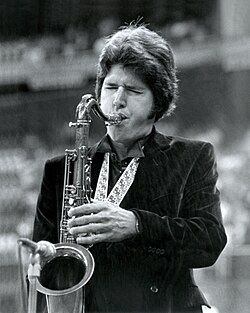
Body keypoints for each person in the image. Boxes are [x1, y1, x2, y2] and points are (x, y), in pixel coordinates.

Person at [32, 24, 227, 313]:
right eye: (110, 87)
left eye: (133, 90)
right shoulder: (58, 170)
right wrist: (44, 259)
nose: (117, 99)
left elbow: (209, 240)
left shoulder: (193, 156)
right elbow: (44, 269)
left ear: (157, 101)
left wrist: (136, 224)